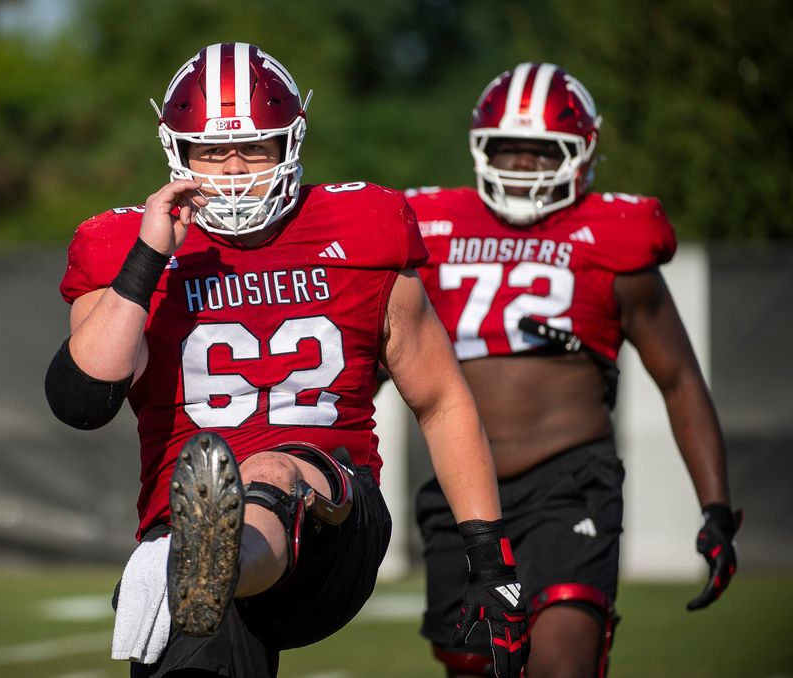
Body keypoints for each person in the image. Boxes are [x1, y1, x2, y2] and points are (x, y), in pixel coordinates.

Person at [44, 43, 528, 678]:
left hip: (334, 523)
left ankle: (211, 566)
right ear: (178, 153)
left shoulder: (361, 226)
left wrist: (490, 561)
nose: (236, 169)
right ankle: (200, 566)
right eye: (213, 151)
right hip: (183, 534)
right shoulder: (123, 246)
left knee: (271, 466)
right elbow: (82, 401)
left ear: (290, 145)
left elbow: (440, 401)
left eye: (256, 148)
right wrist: (149, 256)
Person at [406, 62, 742, 678]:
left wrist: (715, 509)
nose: (524, 168)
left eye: (542, 153)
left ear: (582, 155)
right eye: (508, 151)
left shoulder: (615, 236)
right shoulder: (426, 230)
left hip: (568, 484)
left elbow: (680, 380)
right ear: (479, 151)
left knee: (562, 661)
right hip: (462, 492)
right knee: (476, 666)